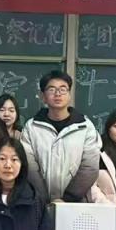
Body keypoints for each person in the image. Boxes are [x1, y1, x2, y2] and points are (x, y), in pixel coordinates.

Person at [21, 70, 100, 203]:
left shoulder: (85, 127)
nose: (58, 94)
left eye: (63, 89)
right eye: (51, 89)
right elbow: (30, 167)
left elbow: (90, 167)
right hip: (39, 203)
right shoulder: (31, 127)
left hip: (77, 203)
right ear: (42, 96)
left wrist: (67, 199)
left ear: (69, 95)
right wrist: (43, 200)